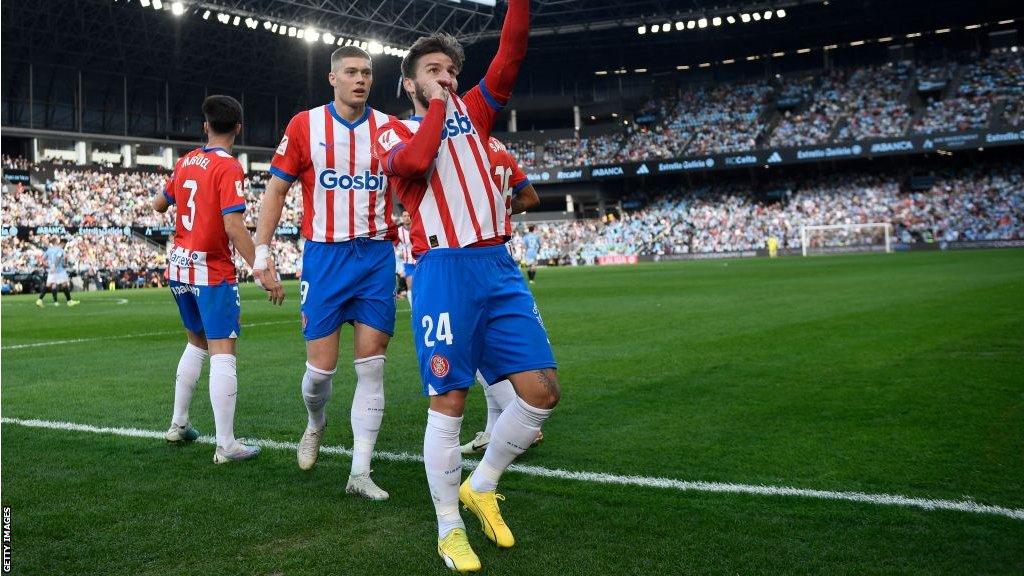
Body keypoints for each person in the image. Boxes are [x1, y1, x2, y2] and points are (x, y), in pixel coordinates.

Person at [372, 0, 561, 570]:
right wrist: (436, 106)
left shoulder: (475, 113)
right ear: (410, 83)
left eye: (451, 71)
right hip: (444, 271)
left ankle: (479, 485)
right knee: (449, 402)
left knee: (541, 392)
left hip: (498, 268)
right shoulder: (392, 132)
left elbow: (511, 54)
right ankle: (447, 526)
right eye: (434, 71)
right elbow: (418, 160)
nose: (448, 78)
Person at [252, 46, 395, 501]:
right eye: (351, 72)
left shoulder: (389, 129)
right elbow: (276, 190)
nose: (360, 80)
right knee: (320, 371)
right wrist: (261, 251)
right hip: (325, 258)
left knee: (372, 366)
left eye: (367, 73)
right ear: (332, 78)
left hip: (375, 257)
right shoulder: (304, 125)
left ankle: (360, 471)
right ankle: (315, 423)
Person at [152, 95, 261, 465]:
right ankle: (226, 445)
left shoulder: (185, 161)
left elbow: (158, 203)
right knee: (223, 353)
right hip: (211, 270)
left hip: (179, 266)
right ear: (238, 128)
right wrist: (261, 265)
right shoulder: (229, 167)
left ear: (205, 126)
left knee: (195, 343)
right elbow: (233, 225)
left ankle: (178, 424)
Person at [461, 136, 541, 456]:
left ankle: (522, 421)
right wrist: (502, 209)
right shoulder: (499, 147)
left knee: (474, 346)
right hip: (500, 252)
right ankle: (495, 428)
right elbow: (530, 197)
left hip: (472, 254)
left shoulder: (461, 147)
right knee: (487, 342)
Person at [36, 237, 79, 307]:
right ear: (56, 242)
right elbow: (60, 258)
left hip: (51, 270)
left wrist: (48, 266)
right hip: (59, 270)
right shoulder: (60, 250)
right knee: (64, 285)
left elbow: (42, 259)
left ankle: (39, 300)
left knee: (48, 285)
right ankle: (69, 301)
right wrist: (63, 264)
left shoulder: (49, 250)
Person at [395, 210, 416, 305]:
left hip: (419, 260)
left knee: (422, 285)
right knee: (410, 285)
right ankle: (414, 310)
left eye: (408, 215)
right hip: (408, 262)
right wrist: (399, 252)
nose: (407, 217)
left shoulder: (417, 227)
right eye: (404, 216)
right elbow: (394, 246)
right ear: (402, 218)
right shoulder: (399, 232)